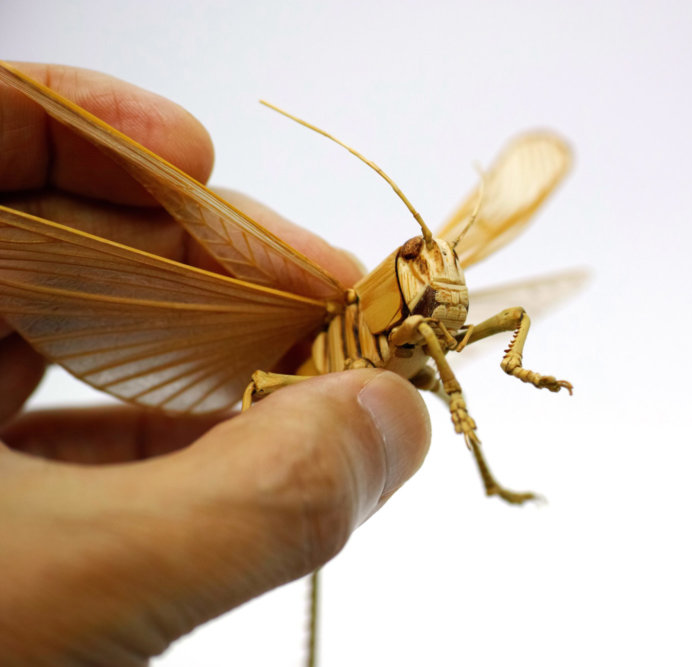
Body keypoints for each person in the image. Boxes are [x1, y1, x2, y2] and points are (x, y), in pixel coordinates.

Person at [0, 63, 430, 663]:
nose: (429, 270)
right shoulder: (368, 303)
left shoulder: (421, 320)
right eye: (416, 257)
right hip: (290, 383)